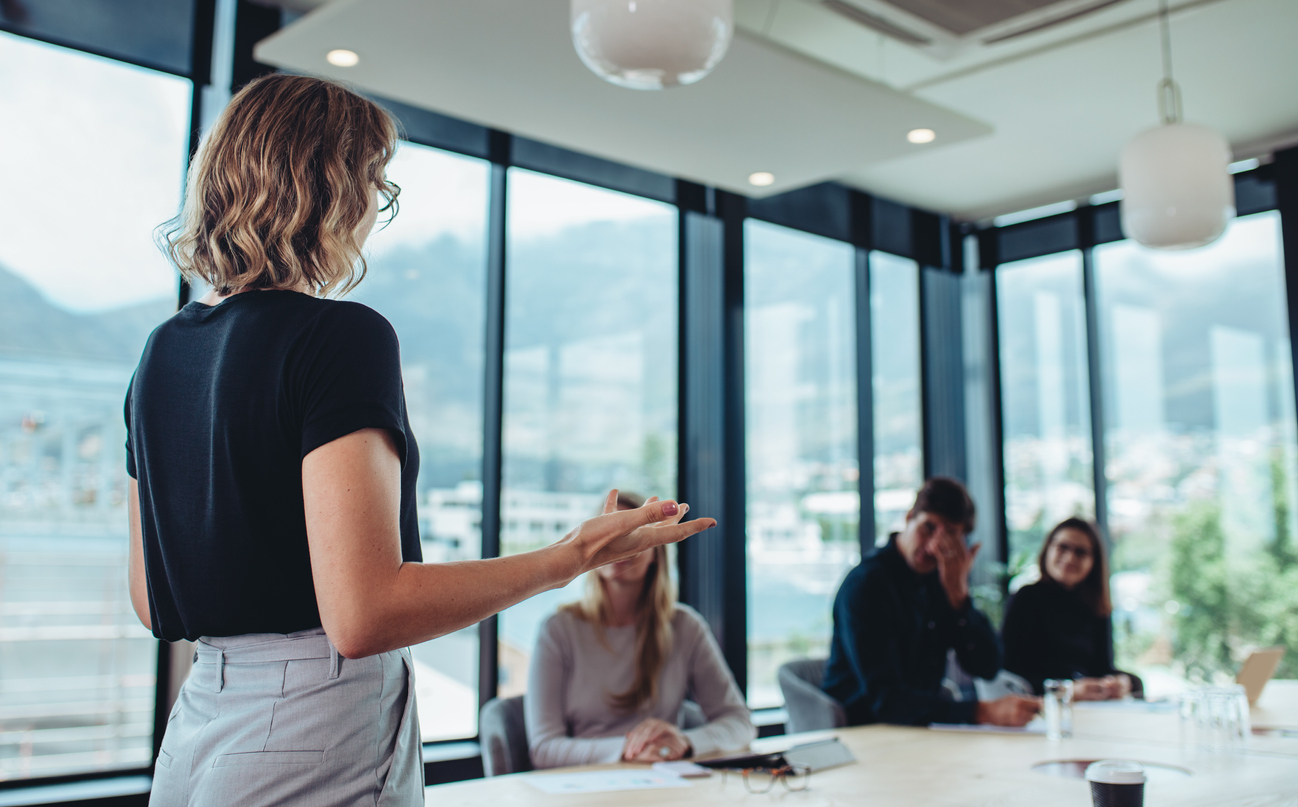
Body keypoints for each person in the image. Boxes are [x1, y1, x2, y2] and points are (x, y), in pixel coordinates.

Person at [127, 74, 715, 807]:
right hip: (313, 723)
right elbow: (365, 614)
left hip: (197, 724)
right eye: (375, 180)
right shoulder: (340, 337)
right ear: (330, 186)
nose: (377, 205)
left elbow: (153, 602)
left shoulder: (161, 352)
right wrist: (575, 554)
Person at [526, 492, 754, 769]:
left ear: (657, 550)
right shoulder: (559, 629)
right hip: (587, 785)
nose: (619, 546)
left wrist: (685, 741)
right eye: (608, 534)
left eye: (632, 533)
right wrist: (630, 748)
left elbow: (740, 723)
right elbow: (544, 748)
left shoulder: (685, 626)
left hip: (666, 782)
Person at [822, 477, 1040, 727]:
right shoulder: (866, 585)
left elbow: (988, 667)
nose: (934, 544)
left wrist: (959, 597)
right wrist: (981, 712)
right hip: (863, 729)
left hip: (918, 728)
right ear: (908, 518)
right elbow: (886, 700)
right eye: (928, 527)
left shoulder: (939, 582)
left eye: (950, 534)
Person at [1001, 518, 1138, 700]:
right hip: (1039, 707)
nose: (1069, 557)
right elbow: (1008, 673)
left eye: (1080, 552)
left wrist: (1124, 682)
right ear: (1048, 549)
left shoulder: (1097, 606)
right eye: (1062, 547)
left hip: (1086, 709)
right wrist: (1068, 689)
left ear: (1094, 562)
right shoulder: (1026, 598)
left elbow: (1101, 669)